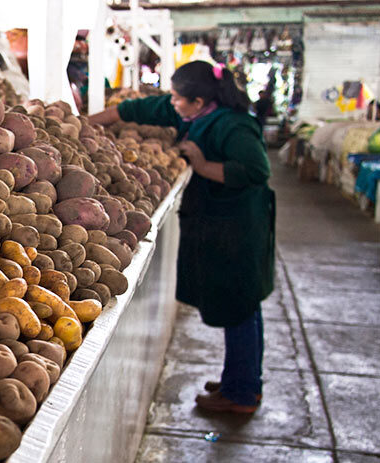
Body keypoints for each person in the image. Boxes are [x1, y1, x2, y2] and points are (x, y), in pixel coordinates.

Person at [89, 61, 276, 414]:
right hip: (220, 222)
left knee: (241, 307)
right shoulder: (191, 112)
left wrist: (203, 164)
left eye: (177, 99)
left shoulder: (236, 125)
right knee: (241, 306)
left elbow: (256, 171)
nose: (171, 103)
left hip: (240, 226)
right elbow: (138, 108)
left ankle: (242, 393)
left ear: (200, 100)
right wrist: (87, 123)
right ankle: (240, 379)